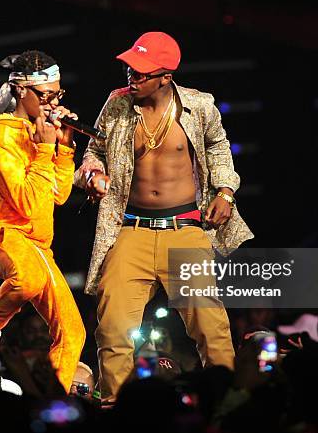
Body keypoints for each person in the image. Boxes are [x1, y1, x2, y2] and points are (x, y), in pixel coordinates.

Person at [75, 32, 254, 403]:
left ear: (165, 76)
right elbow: (94, 149)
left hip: (185, 231)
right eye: (130, 69)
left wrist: (225, 191)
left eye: (141, 72)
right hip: (131, 230)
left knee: (210, 327)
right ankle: (116, 410)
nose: (131, 77)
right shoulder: (117, 103)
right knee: (112, 329)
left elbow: (219, 148)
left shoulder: (198, 105)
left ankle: (228, 405)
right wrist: (92, 174)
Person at [0, 50, 86, 392]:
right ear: (20, 91)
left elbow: (57, 195)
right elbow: (27, 202)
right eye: (45, 96)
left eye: (57, 95)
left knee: (73, 331)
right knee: (28, 279)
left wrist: (64, 148)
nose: (52, 104)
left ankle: (51, 401)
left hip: (36, 244)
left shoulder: (39, 129)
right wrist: (46, 149)